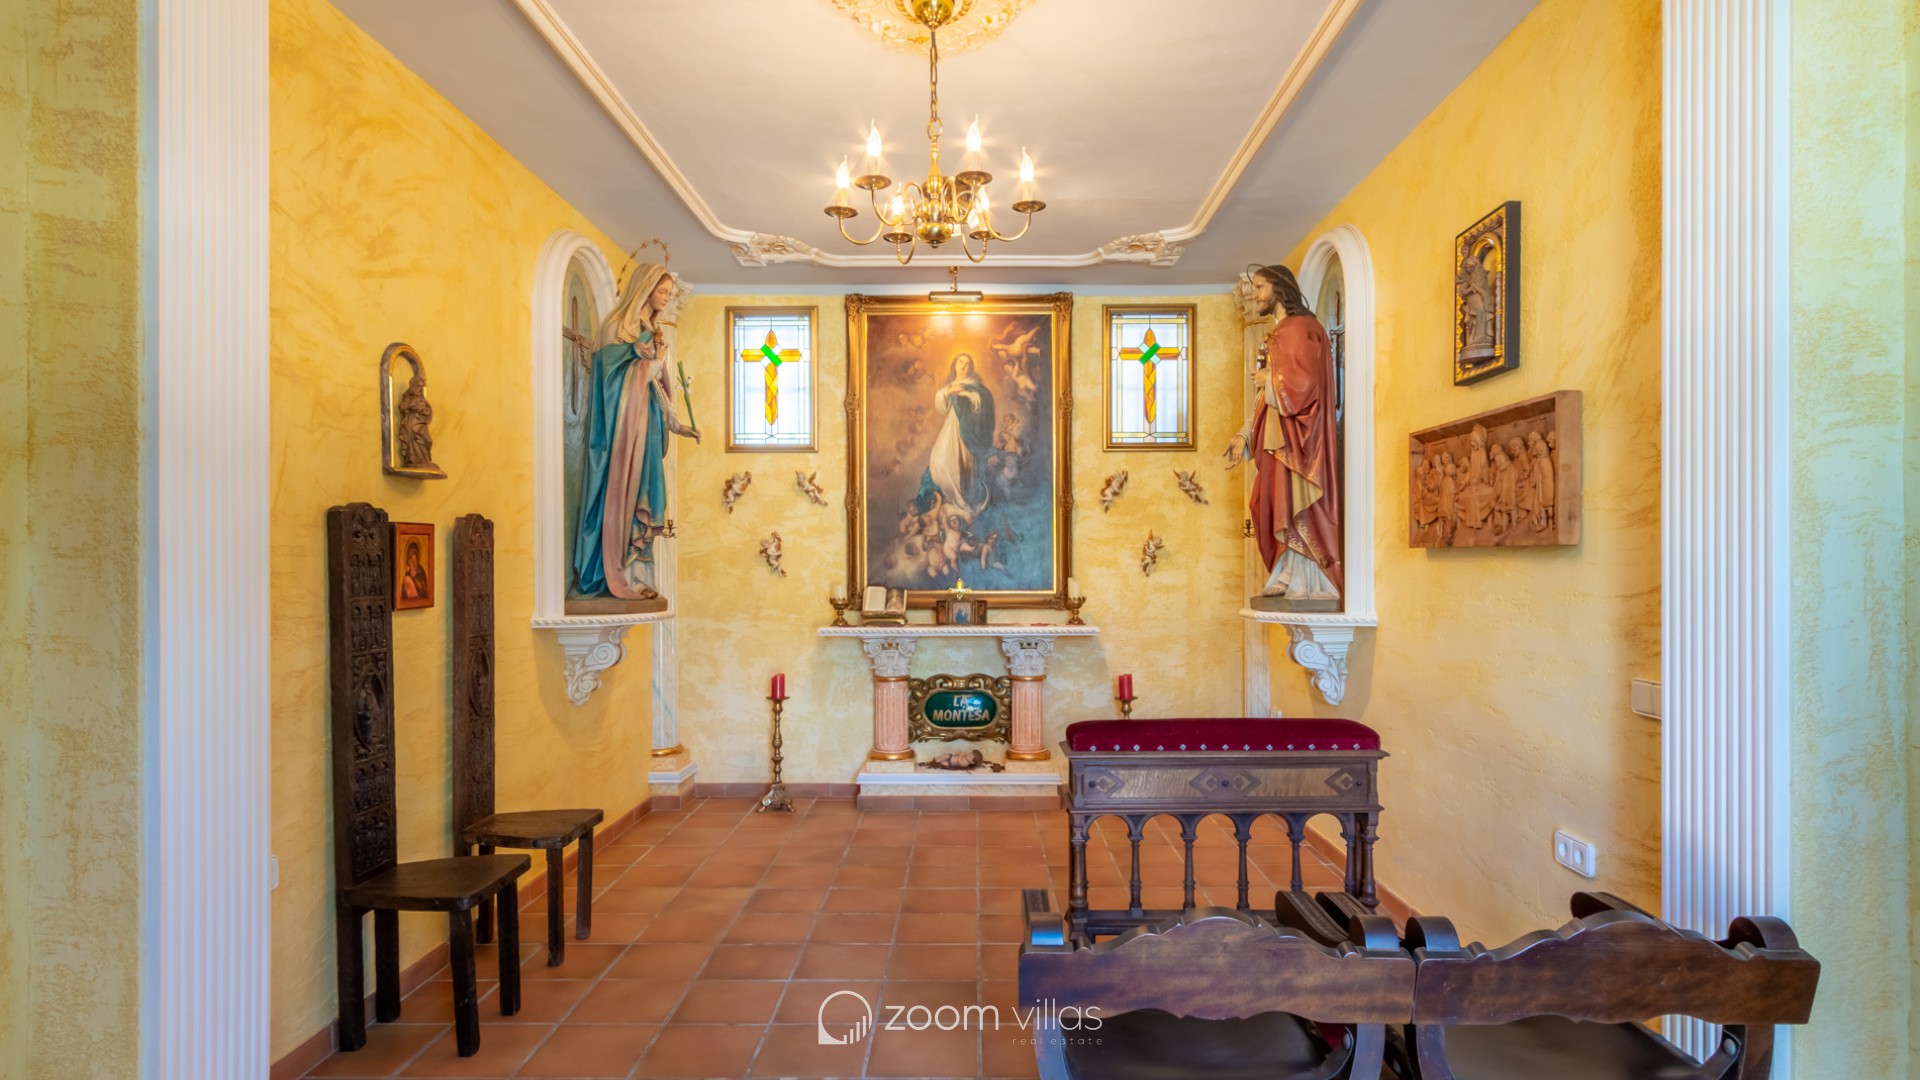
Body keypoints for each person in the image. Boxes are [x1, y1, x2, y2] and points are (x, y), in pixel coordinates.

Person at [571, 263, 699, 600]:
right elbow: (611, 381)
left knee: (652, 495)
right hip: (626, 433)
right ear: (645, 289)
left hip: (650, 429)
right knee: (631, 492)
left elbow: (658, 389)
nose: (666, 298)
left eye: (669, 294)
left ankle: (641, 573)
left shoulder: (652, 333)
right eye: (662, 292)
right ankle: (625, 574)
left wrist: (677, 424)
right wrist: (651, 364)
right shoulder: (618, 330)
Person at [1224, 264, 1344, 601]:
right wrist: (1244, 435)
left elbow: (1307, 386)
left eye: (1260, 287)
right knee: (1269, 503)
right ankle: (1287, 570)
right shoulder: (1278, 334)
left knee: (1294, 502)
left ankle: (1309, 578)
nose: (1257, 295)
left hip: (1298, 443)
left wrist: (1271, 379)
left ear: (1279, 288)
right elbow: (1265, 402)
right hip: (1276, 439)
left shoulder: (1301, 329)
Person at [920, 352, 996, 523]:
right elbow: (941, 406)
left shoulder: (976, 387)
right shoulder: (951, 386)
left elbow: (980, 405)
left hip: (968, 432)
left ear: (971, 367)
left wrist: (966, 395)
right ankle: (953, 496)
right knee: (941, 460)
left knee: (965, 465)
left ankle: (964, 501)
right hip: (952, 426)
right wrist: (949, 391)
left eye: (967, 363)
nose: (964, 365)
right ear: (954, 365)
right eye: (961, 362)